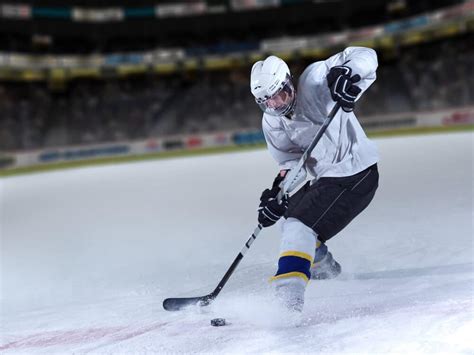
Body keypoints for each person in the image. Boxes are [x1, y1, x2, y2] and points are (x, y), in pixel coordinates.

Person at [250, 47, 380, 312]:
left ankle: (287, 303)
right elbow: (291, 161)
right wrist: (277, 195)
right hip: (327, 178)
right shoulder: (272, 122)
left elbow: (366, 56)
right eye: (267, 101)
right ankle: (324, 266)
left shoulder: (315, 81)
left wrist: (347, 73)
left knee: (299, 226)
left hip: (355, 172)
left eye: (280, 94)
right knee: (289, 219)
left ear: (289, 82)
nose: (276, 104)